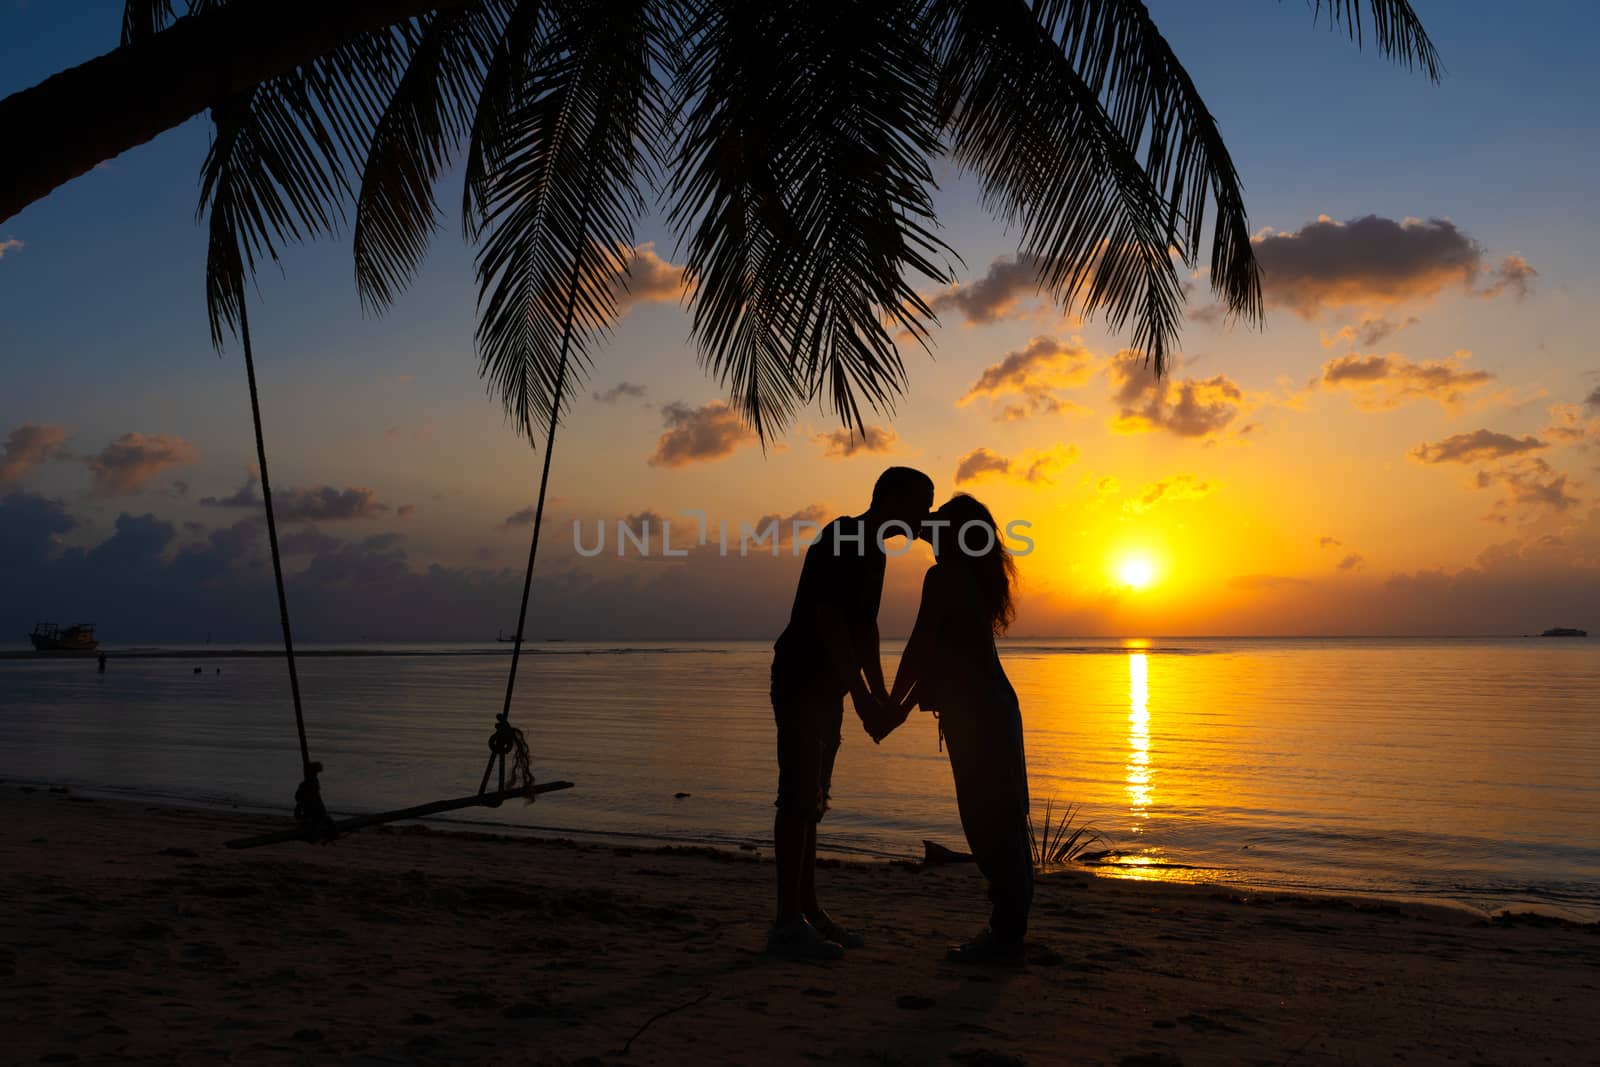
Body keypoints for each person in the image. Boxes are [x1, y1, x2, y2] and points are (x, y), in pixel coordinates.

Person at [767, 466, 935, 960]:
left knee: (814, 799)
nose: (925, 515)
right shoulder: (843, 537)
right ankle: (786, 921)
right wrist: (864, 699)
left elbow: (866, 630)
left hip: (828, 687)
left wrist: (877, 692)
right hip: (801, 678)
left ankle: (808, 912)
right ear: (893, 500)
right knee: (797, 796)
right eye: (921, 503)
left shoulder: (875, 551)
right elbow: (831, 622)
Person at [881, 493, 1032, 966]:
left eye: (938, 528)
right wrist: (899, 706)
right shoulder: (970, 578)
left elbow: (920, 647)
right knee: (1001, 821)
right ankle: (1007, 933)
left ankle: (1004, 938)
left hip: (979, 715)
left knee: (989, 824)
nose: (928, 536)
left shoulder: (945, 577)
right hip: (991, 709)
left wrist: (890, 707)